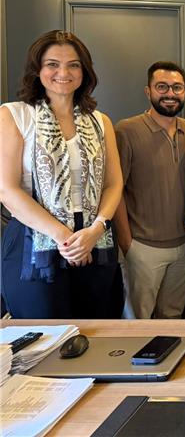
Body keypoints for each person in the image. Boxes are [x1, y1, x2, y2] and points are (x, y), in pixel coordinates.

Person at [0, 30, 123, 318]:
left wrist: (96, 229)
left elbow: (113, 183)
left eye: (73, 65)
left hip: (95, 242)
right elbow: (7, 189)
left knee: (98, 329)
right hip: (34, 243)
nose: (63, 73)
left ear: (85, 71)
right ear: (37, 69)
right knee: (43, 334)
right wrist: (65, 237)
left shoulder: (100, 121)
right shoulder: (15, 115)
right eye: (52, 64)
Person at [112, 61, 185, 319]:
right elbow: (114, 190)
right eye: (162, 87)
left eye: (177, 87)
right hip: (142, 247)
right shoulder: (126, 130)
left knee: (172, 317)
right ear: (148, 91)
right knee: (136, 322)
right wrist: (127, 243)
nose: (170, 93)